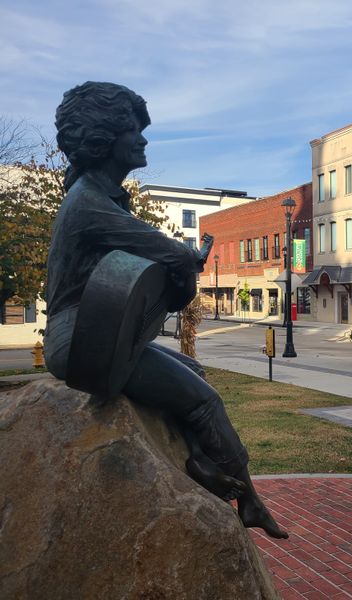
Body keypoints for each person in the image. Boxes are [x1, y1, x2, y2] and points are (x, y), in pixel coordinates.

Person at [44, 81, 288, 539]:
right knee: (204, 399)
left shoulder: (99, 197)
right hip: (83, 343)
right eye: (132, 130)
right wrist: (184, 265)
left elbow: (158, 265)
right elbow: (170, 254)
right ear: (103, 138)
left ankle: (202, 462)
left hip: (98, 334)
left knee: (191, 368)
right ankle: (250, 499)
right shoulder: (88, 203)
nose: (143, 139)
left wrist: (178, 267)